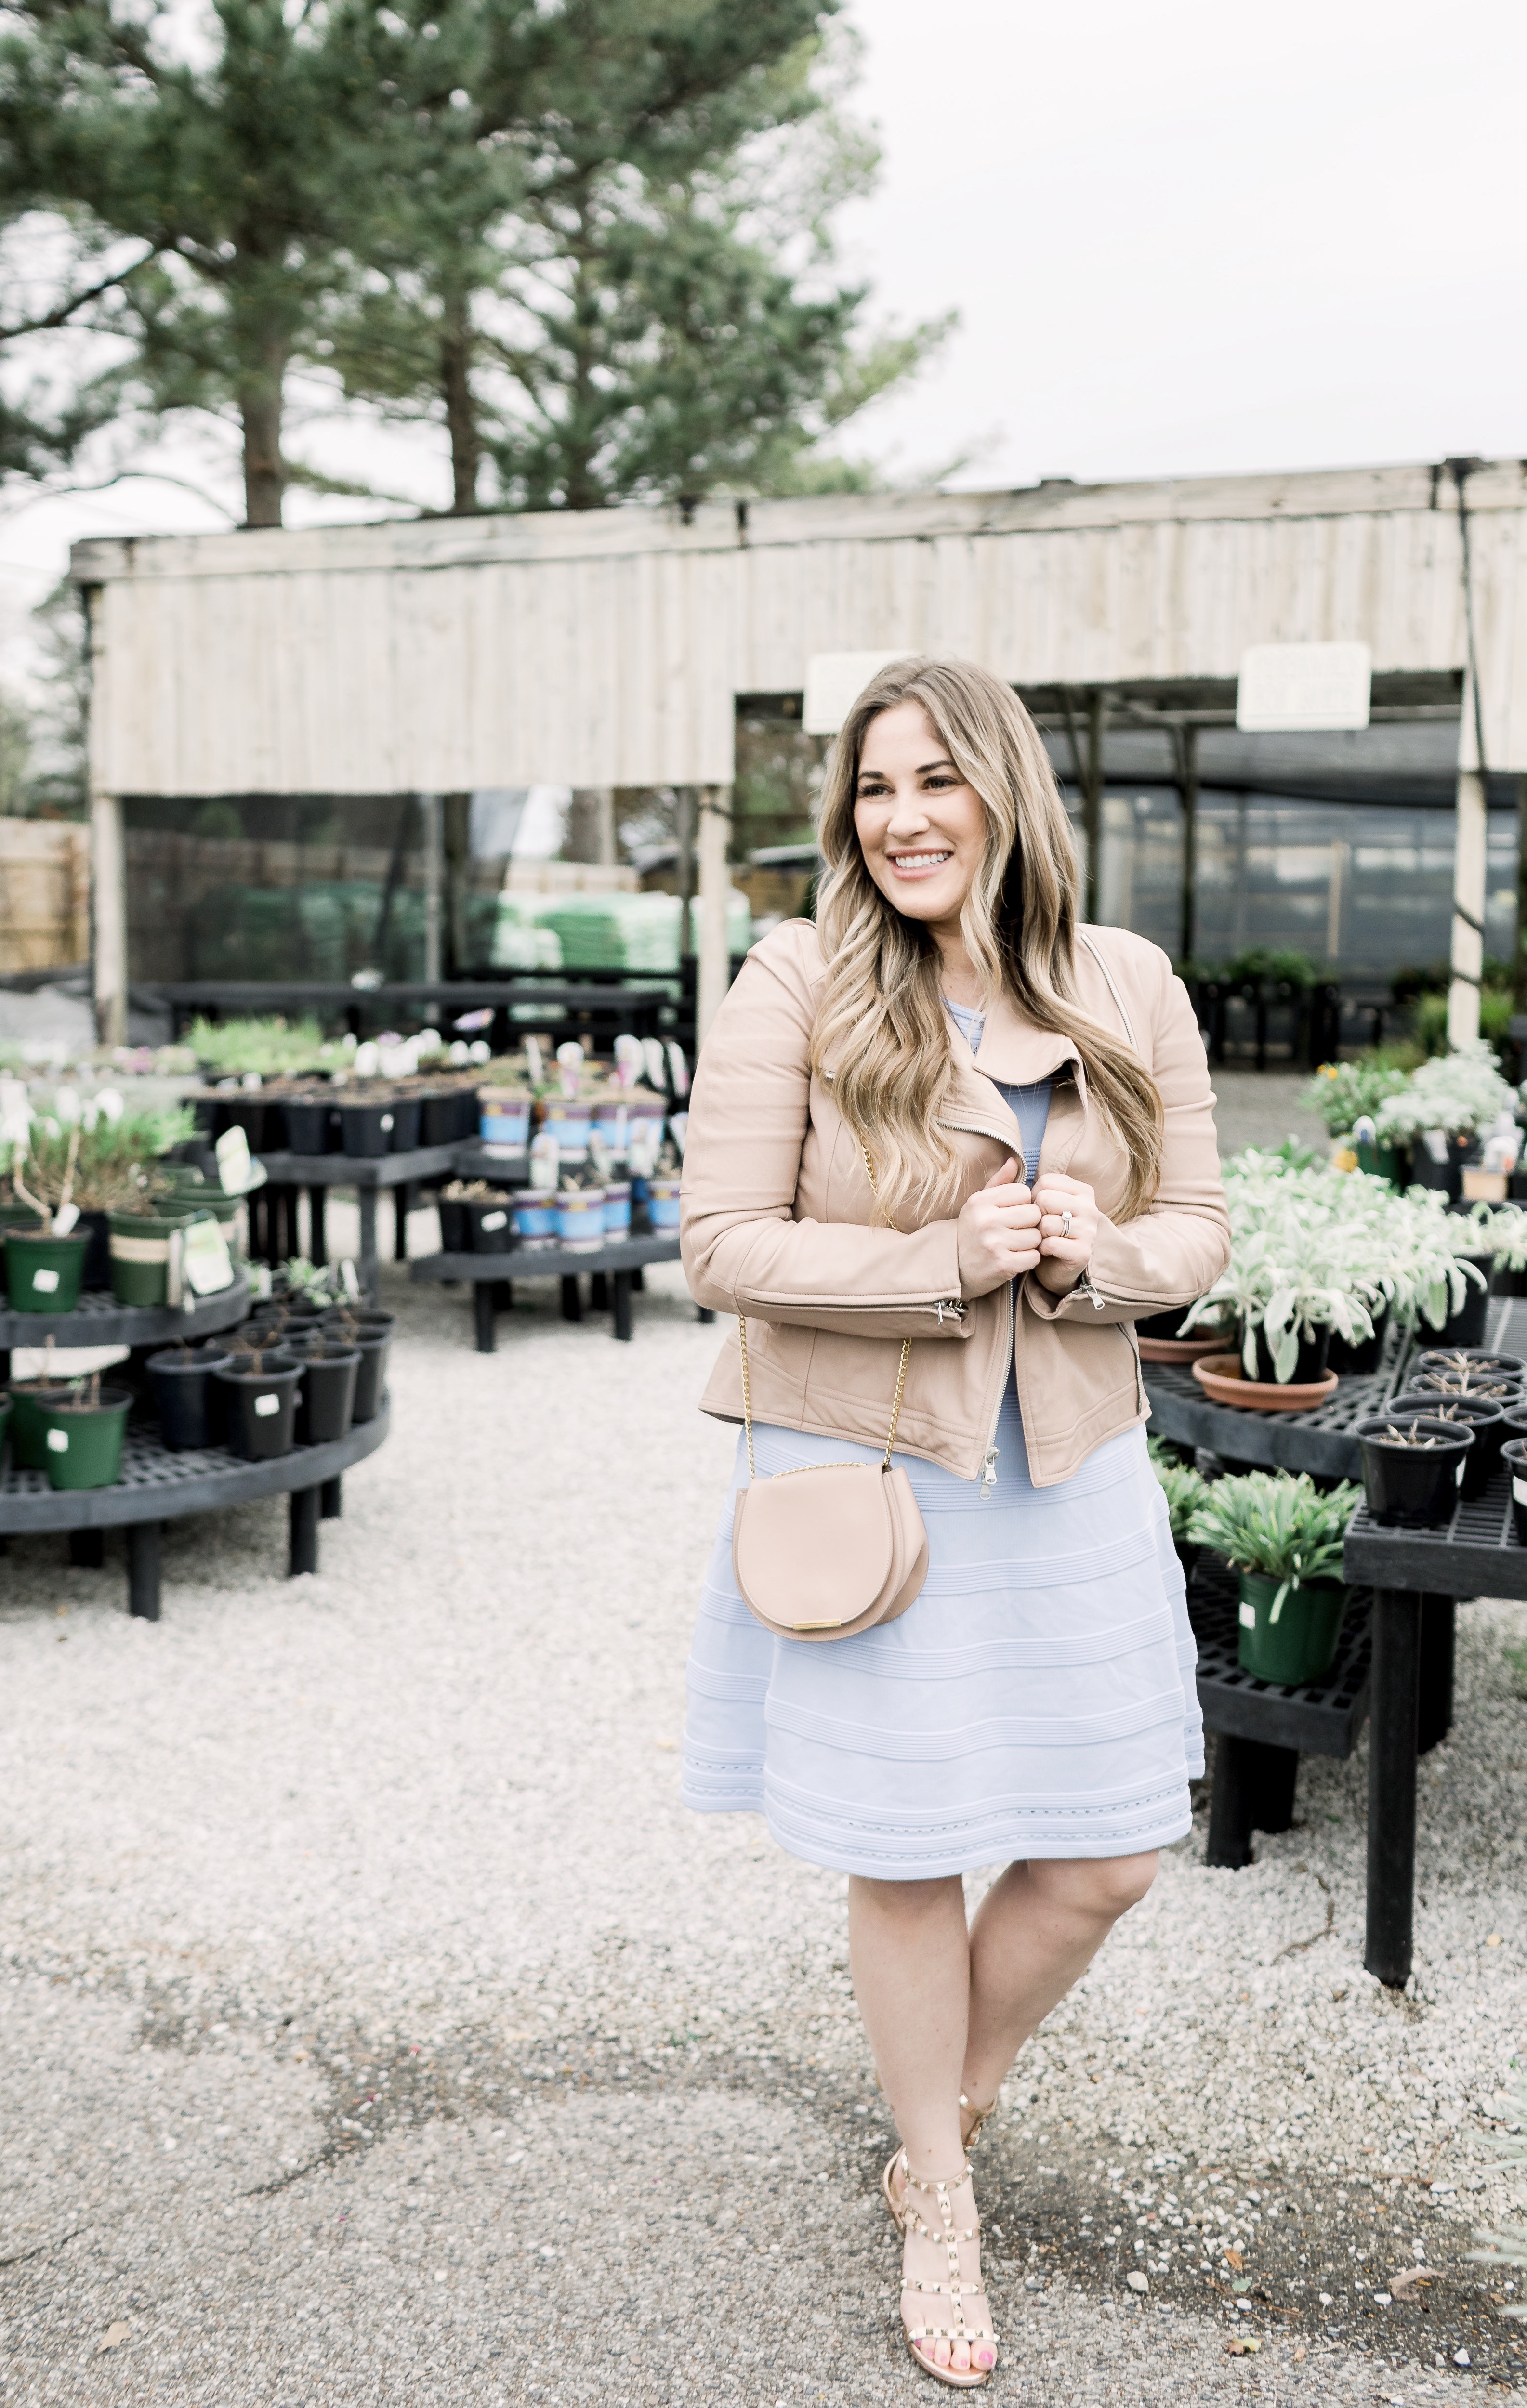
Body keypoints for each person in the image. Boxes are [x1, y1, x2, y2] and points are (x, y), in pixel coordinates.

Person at [678, 657, 1229, 2387]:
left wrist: (1098, 1254)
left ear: (1007, 792)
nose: (901, 818)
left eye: (937, 781)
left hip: (1067, 1466)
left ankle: (946, 2114)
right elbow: (719, 1245)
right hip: (870, 1473)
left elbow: (1203, 1224)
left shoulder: (1128, 982)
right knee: (909, 1847)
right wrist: (938, 1264)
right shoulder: (800, 980)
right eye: (871, 787)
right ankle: (942, 2195)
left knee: (1107, 1854)